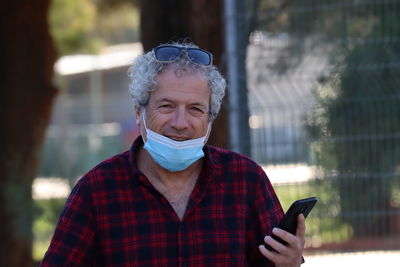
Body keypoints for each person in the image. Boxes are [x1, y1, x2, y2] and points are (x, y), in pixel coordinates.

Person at [40, 42, 306, 267]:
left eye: (195, 109)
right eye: (166, 106)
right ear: (138, 112)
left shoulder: (246, 181)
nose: (180, 123)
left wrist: (290, 262)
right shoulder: (96, 191)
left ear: (210, 119)